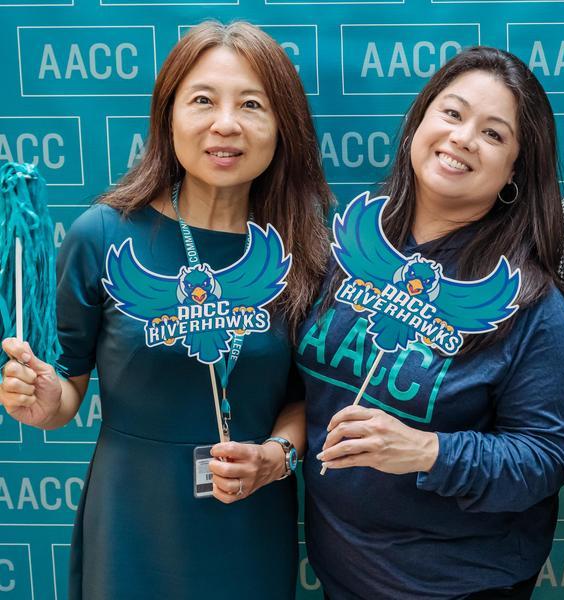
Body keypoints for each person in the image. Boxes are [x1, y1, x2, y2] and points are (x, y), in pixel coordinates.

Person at [0, 21, 332, 599]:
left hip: (249, 517)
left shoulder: (304, 248)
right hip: (134, 519)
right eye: (202, 100)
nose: (225, 123)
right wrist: (47, 401)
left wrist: (276, 458)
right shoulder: (102, 236)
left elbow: (311, 397)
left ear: (282, 125)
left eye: (251, 104)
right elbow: (67, 392)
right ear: (168, 114)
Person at [299, 46, 564, 600]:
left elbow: (544, 460)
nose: (463, 138)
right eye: (451, 113)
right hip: (342, 572)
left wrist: (427, 451)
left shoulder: (531, 306)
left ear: (514, 172)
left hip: (457, 586)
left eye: (493, 134)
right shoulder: (352, 244)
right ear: (419, 123)